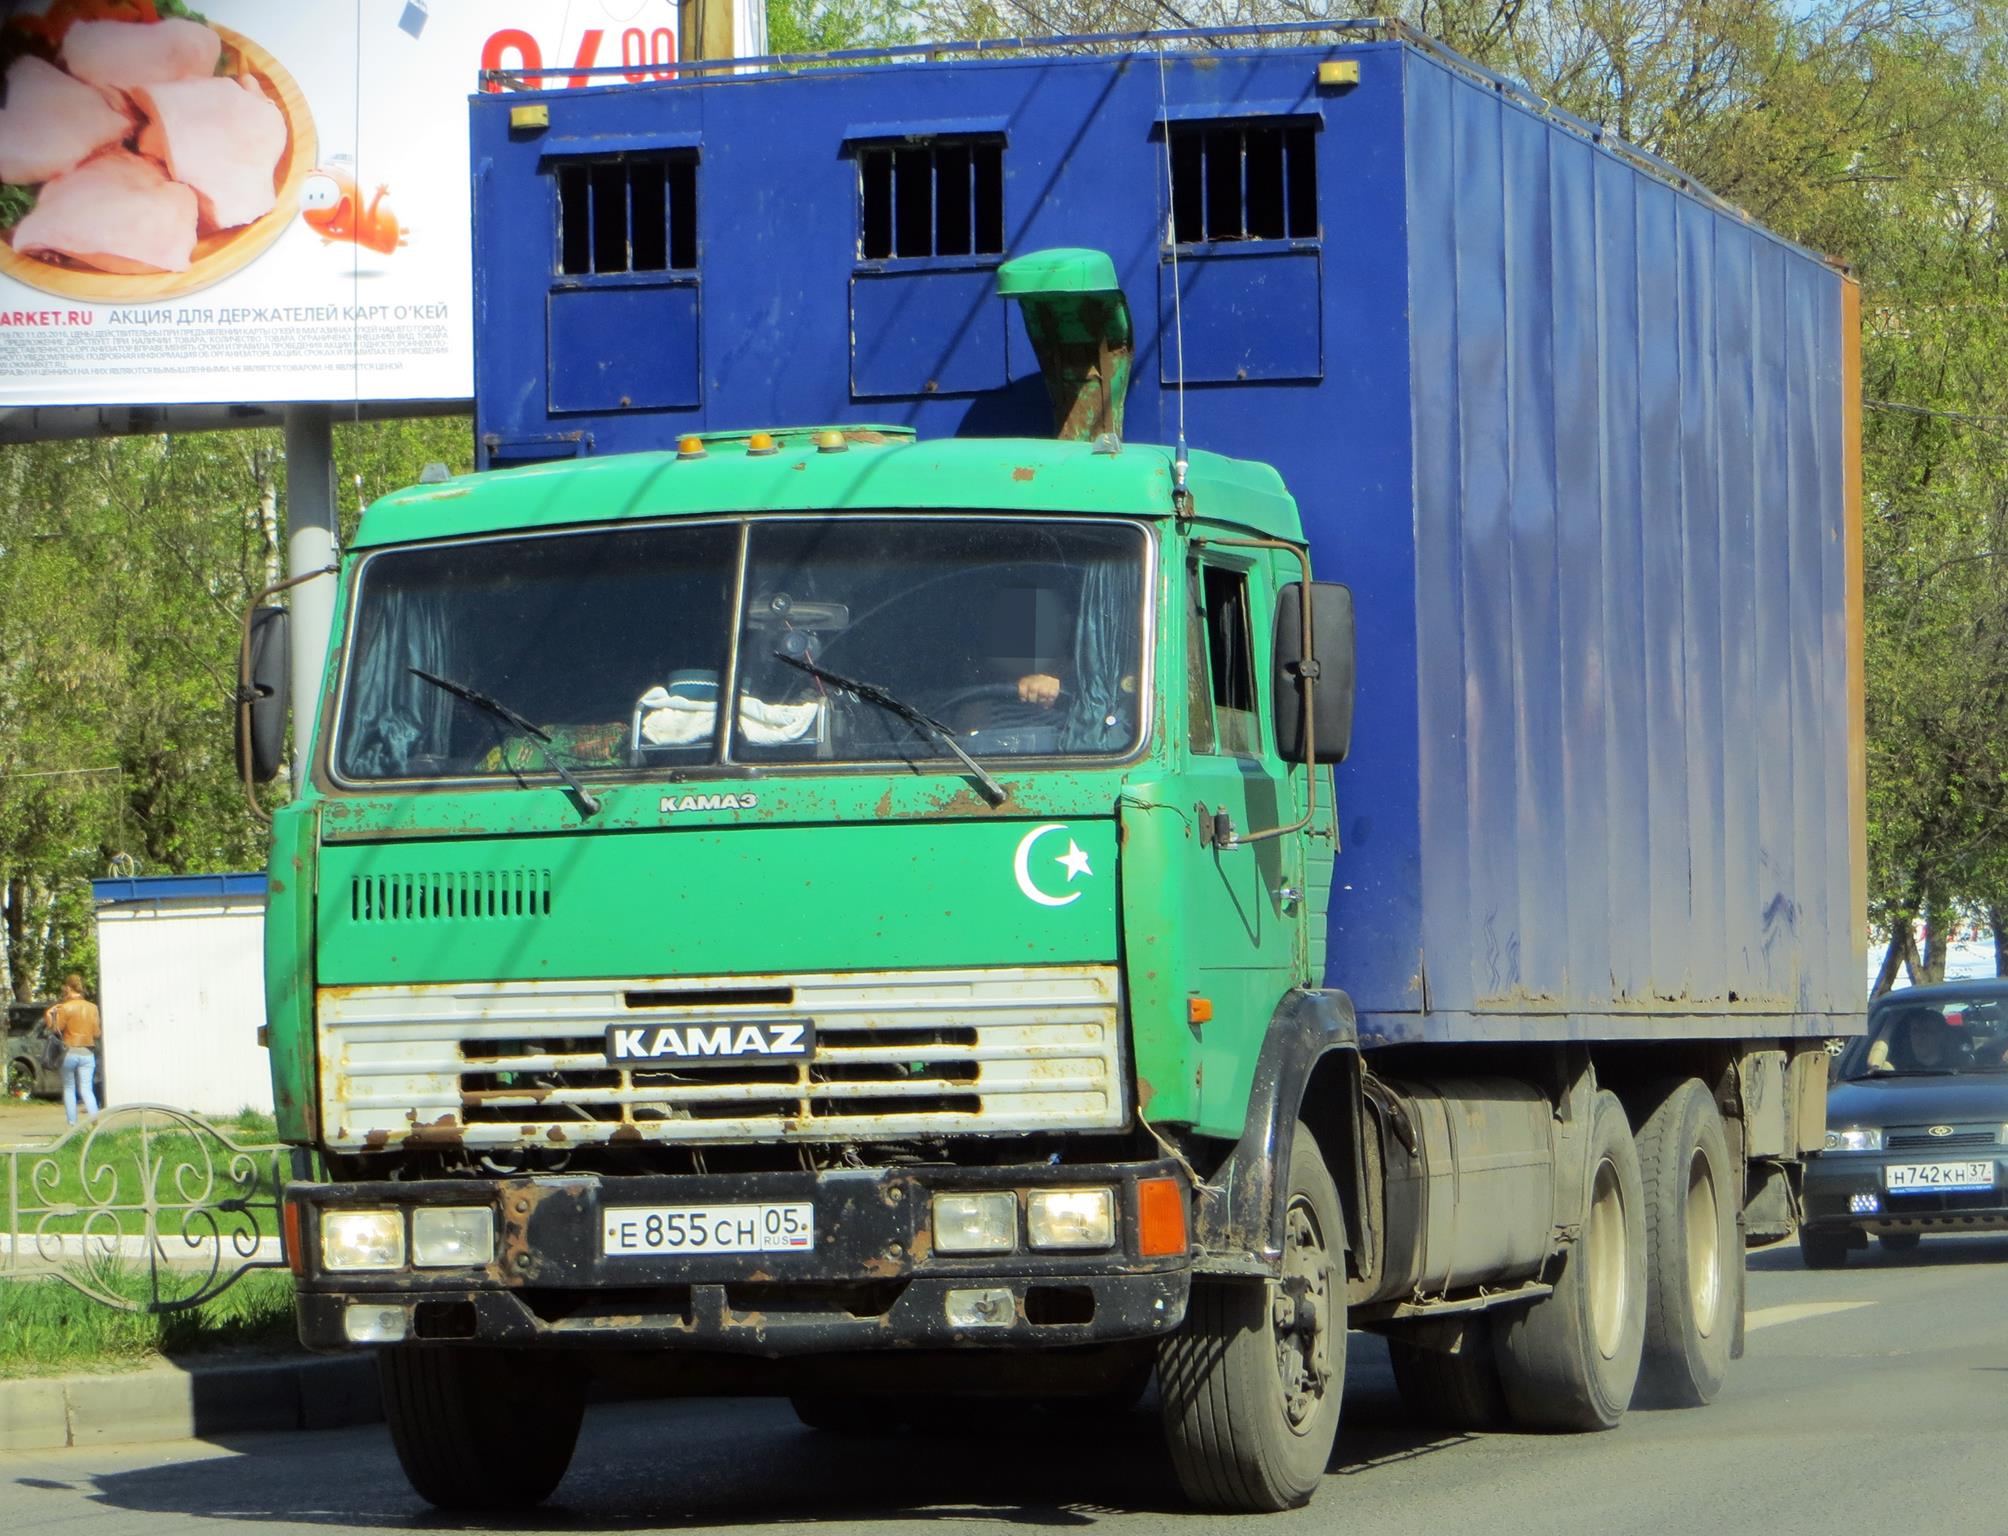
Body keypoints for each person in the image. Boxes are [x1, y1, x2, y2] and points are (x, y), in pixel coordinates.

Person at [42, 973, 100, 1126]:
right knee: (87, 1089)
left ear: (68, 988)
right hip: (87, 1053)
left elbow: (56, 1030)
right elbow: (97, 1033)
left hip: (68, 1052)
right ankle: (95, 1124)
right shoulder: (93, 1008)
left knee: (69, 1088)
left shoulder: (64, 1008)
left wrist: (49, 1016)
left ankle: (72, 1126)